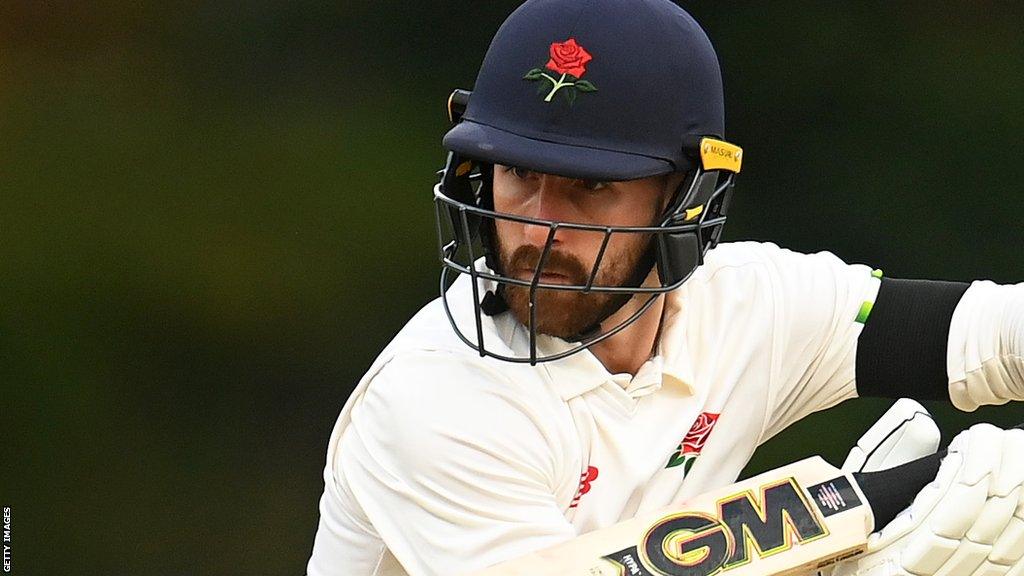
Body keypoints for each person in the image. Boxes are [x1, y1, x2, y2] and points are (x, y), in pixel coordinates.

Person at [306, 1, 1024, 575]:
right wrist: (861, 515)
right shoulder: (438, 398)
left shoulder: (746, 307)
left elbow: (989, 333)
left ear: (688, 198)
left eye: (591, 186)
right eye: (519, 174)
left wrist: (855, 521)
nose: (538, 229)